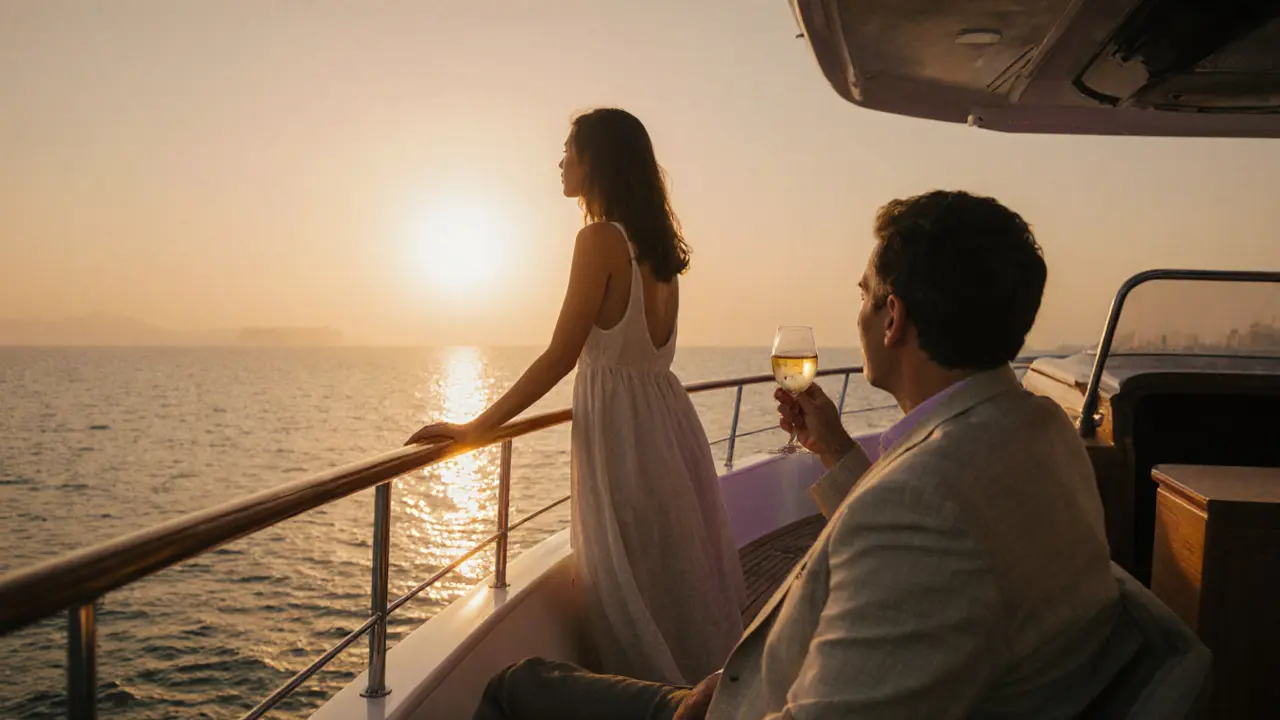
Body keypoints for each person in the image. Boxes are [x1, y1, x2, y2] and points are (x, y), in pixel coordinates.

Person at [471, 190, 1135, 720]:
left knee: (517, 688)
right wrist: (836, 449)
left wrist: (719, 699)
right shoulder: (1039, 428)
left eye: (863, 293)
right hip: (768, 685)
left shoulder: (921, 507)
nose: (859, 311)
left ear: (893, 317)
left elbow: (920, 535)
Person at [407, 108, 746, 685]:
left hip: (624, 442)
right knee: (671, 587)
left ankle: (658, 702)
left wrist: (475, 428)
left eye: (569, 151)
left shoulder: (599, 240)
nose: (561, 162)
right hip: (668, 431)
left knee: (628, 594)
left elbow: (561, 356)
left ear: (596, 160)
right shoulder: (656, 252)